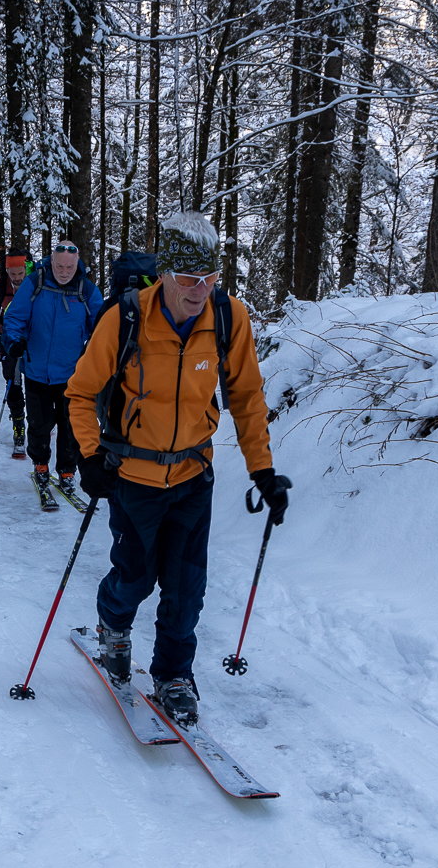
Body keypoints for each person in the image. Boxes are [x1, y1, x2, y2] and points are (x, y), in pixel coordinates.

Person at [66, 213, 292, 727]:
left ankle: (173, 673)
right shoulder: (125, 318)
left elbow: (248, 397)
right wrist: (89, 455)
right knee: (134, 579)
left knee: (187, 587)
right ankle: (113, 627)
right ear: (165, 273)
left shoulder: (228, 317)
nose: (201, 290)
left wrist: (263, 471)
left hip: (194, 476)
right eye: (190, 279)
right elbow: (79, 393)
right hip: (134, 478)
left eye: (211, 278)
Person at [2, 239, 106, 500]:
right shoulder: (35, 283)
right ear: (51, 260)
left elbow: (104, 328)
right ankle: (40, 466)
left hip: (73, 374)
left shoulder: (88, 290)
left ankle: (68, 472)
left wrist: (97, 353)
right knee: (39, 424)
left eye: (69, 266)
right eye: (59, 265)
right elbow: (14, 316)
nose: (63, 271)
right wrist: (14, 340)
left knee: (70, 425)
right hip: (37, 370)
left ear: (77, 264)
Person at [0, 254, 32, 457]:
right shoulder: (0, 286)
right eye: (13, 273)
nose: (17, 277)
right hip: (8, 341)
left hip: (35, 340)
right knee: (13, 382)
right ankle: (19, 428)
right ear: (7, 271)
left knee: (40, 384)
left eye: (20, 273)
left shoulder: (35, 283)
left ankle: (41, 422)